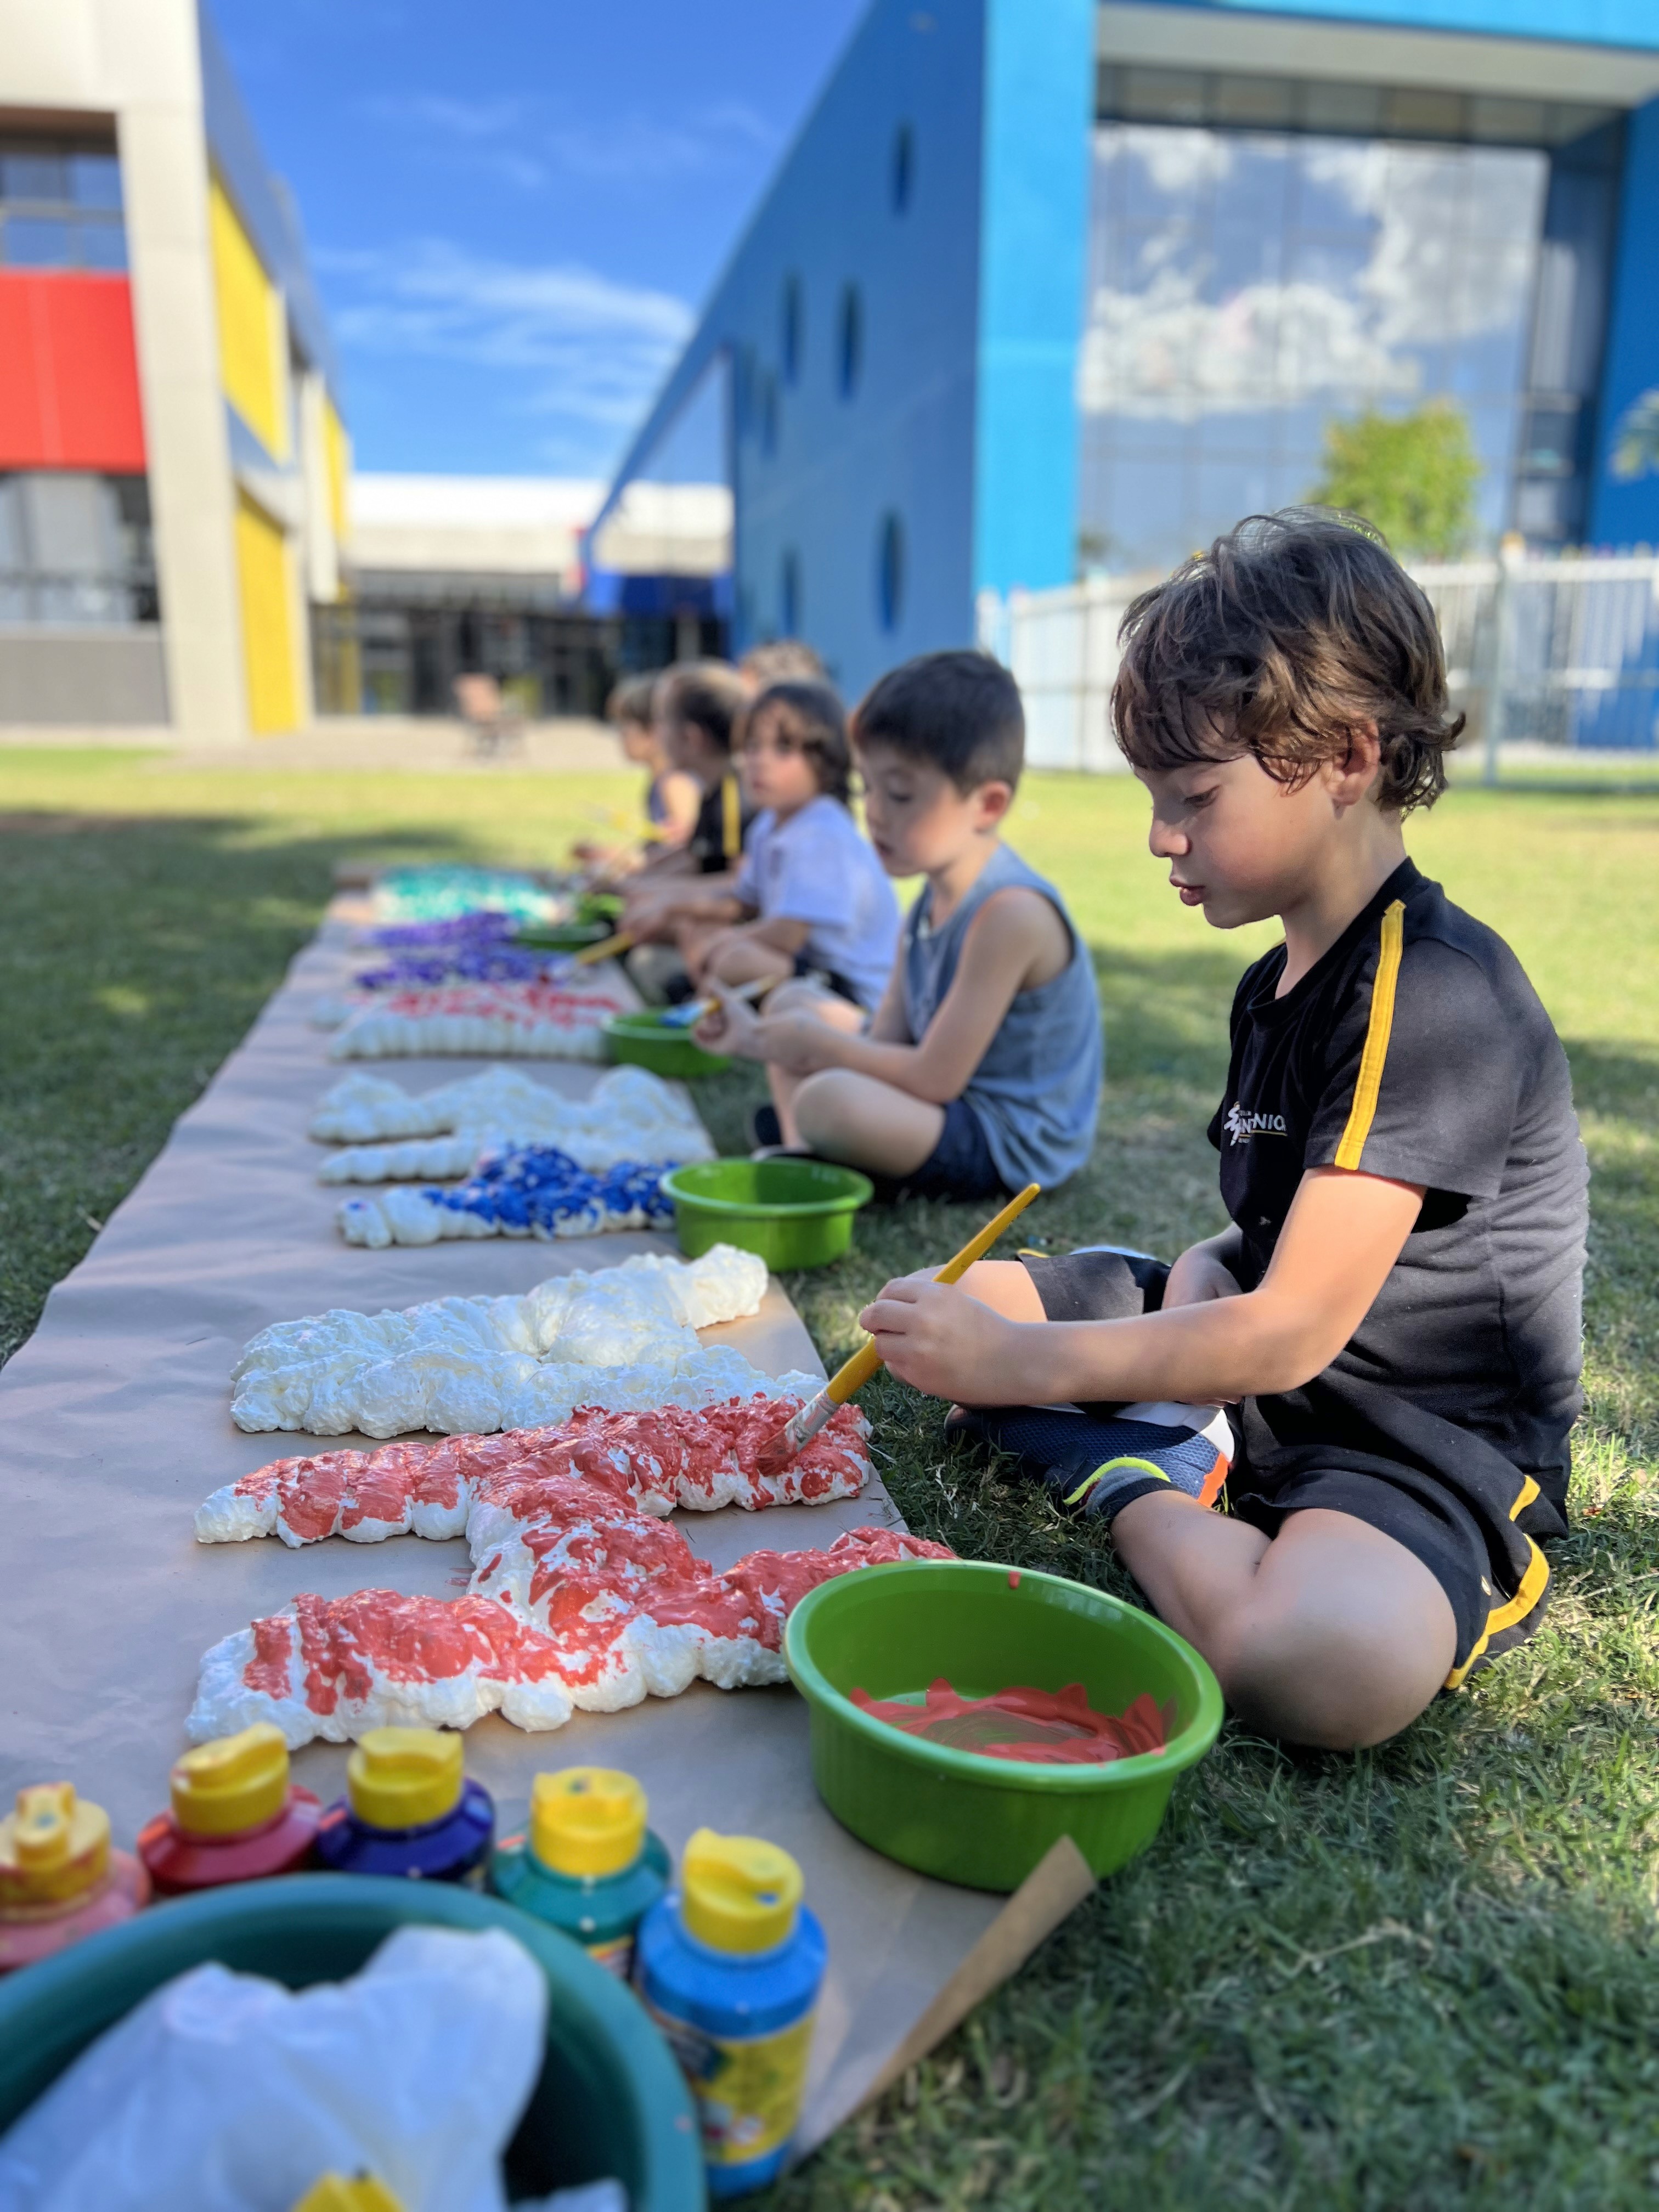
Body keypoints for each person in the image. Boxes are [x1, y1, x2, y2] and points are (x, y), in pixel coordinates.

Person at [855, 510, 1589, 1752]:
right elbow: (1273, 1238)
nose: (1160, 835)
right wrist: (1195, 1280)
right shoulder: (1276, 982)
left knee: (1315, 1663)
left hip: (1406, 1438)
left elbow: (1297, 1327)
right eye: (1155, 795)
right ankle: (1158, 1428)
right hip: (1261, 1372)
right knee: (933, 1306)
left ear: (1348, 756)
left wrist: (1024, 1375)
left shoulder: (1437, 991)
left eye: (1194, 794)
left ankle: (1125, 1476)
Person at [698, 649, 1102, 1201]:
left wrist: (807, 1044)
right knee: (793, 1001)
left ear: (987, 805)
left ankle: (820, 1148)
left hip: (1004, 1138)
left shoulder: (1009, 913)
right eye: (868, 789)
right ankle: (806, 1157)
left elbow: (936, 1078)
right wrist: (766, 1035)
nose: (877, 814)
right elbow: (886, 1037)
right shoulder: (928, 899)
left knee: (828, 1096)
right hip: (941, 1105)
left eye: (902, 793)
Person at [672, 680, 899, 1010]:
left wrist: (724, 944)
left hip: (854, 995)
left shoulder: (821, 832)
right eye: (751, 747)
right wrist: (678, 910)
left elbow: (788, 934)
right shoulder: (769, 825)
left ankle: (703, 1015)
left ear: (827, 761)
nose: (759, 762)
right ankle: (706, 1005)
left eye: (783, 749)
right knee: (706, 934)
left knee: (736, 959)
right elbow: (744, 901)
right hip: (807, 971)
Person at [621, 660, 754, 1002]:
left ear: (690, 738)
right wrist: (631, 883)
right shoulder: (715, 791)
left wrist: (665, 901)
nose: (655, 731)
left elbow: (744, 891)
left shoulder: (735, 796)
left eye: (661, 720)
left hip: (743, 943)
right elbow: (694, 861)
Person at [573, 672, 699, 881]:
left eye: (626, 725)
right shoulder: (659, 779)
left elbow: (682, 854)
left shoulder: (675, 783)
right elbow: (657, 845)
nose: (621, 735)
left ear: (654, 731)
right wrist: (607, 854)